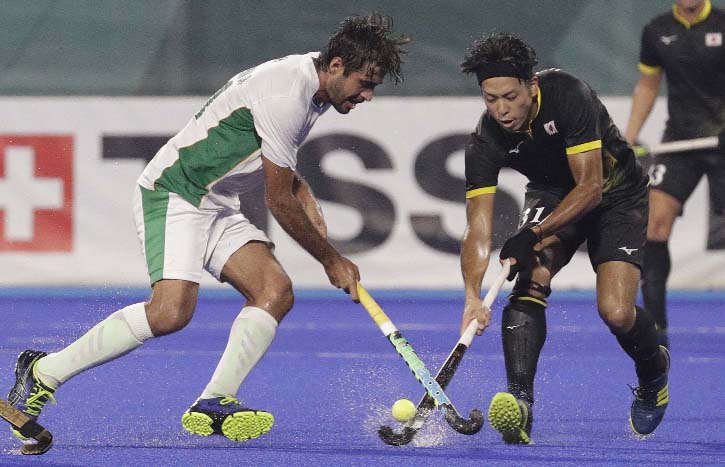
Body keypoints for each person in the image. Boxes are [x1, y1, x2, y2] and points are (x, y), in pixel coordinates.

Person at [6, 13, 409, 446]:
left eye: (374, 87)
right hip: (175, 192)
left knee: (274, 290)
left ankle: (215, 400)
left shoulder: (311, 85)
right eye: (364, 84)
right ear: (335, 66)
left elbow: (276, 160)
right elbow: (276, 200)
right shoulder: (287, 94)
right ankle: (43, 373)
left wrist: (304, 192)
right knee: (170, 312)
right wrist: (332, 259)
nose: (367, 95)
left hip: (216, 201)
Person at [458, 32, 670, 444]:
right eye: (490, 99)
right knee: (529, 277)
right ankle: (520, 404)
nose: (501, 110)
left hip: (616, 195)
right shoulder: (485, 141)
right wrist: (471, 294)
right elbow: (477, 228)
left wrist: (533, 232)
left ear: (531, 86)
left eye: (510, 96)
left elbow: (590, 188)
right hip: (552, 194)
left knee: (616, 313)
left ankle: (654, 373)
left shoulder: (567, 93)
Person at [624, 0, 725, 349]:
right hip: (680, 140)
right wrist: (630, 137)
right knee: (653, 224)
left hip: (724, 140)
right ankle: (656, 329)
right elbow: (648, 85)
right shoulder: (656, 30)